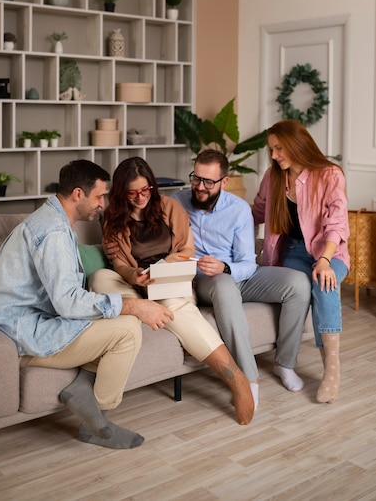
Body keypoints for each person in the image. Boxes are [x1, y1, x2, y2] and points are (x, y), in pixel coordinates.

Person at [0, 159, 175, 450]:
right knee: (128, 331)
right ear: (77, 194)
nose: (102, 204)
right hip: (23, 334)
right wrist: (133, 306)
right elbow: (68, 303)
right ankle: (96, 422)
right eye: (98, 196)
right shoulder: (54, 233)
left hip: (29, 321)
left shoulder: (52, 220)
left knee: (115, 319)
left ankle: (81, 390)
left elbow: (66, 296)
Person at [90, 156, 255, 425]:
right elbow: (118, 262)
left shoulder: (170, 207)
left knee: (177, 306)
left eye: (146, 190)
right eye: (133, 192)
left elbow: (187, 250)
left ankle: (236, 378)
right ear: (122, 192)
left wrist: (164, 265)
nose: (141, 197)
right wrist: (133, 274)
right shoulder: (112, 216)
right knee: (100, 277)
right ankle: (144, 309)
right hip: (134, 286)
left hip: (168, 280)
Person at [173, 148, 312, 408]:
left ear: (224, 182)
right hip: (205, 280)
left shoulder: (238, 210)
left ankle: (285, 363)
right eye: (196, 178)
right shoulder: (176, 202)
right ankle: (249, 379)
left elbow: (248, 263)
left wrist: (225, 266)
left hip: (236, 274)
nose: (200, 187)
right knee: (224, 285)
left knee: (299, 284)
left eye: (208, 182)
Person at [252, 120, 349, 404]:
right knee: (298, 289)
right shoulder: (273, 178)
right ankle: (286, 362)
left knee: (323, 283)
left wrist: (324, 260)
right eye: (271, 149)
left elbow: (338, 223)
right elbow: (256, 211)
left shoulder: (330, 174)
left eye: (279, 148)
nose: (274, 155)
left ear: (297, 144)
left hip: (330, 252)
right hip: (293, 251)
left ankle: (332, 369)